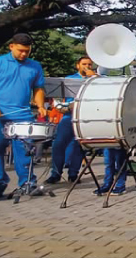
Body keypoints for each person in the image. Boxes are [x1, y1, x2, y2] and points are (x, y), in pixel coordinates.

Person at [0, 33, 47, 198]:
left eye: (27, 51)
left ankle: (28, 183)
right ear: (11, 46)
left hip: (22, 114)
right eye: (21, 50)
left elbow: (38, 88)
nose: (23, 54)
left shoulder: (35, 66)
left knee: (25, 149)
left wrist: (40, 105)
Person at [45, 56, 95, 185]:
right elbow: (61, 99)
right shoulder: (69, 79)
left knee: (79, 146)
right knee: (58, 144)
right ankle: (55, 174)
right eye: (84, 64)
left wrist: (94, 77)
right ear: (77, 65)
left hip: (85, 117)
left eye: (89, 64)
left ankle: (73, 174)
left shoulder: (95, 79)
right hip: (69, 115)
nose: (87, 67)